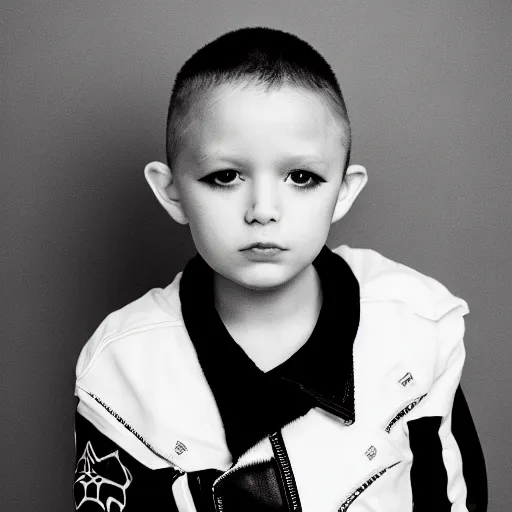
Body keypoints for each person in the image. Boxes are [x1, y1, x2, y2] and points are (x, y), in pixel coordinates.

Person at [73, 27, 487, 511]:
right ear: (172, 192)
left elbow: (457, 498)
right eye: (225, 177)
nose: (263, 210)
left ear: (344, 192)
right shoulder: (122, 368)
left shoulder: (417, 325)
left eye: (302, 177)